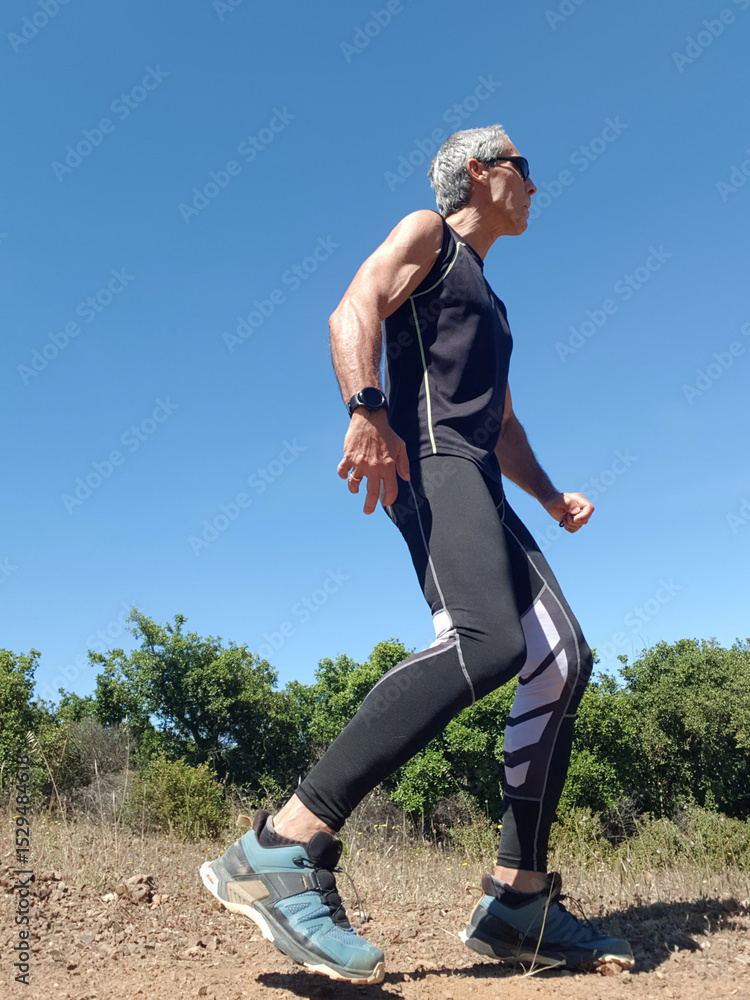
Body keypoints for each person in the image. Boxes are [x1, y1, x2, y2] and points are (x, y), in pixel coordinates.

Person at [200, 124, 634, 985]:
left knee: (560, 659)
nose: (534, 185)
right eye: (523, 168)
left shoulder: (493, 304)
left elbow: (502, 425)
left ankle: (517, 901)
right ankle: (282, 844)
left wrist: (550, 497)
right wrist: (365, 409)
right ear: (479, 171)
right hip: (430, 462)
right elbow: (352, 306)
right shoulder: (428, 234)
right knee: (488, 641)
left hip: (481, 475)